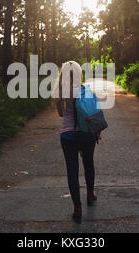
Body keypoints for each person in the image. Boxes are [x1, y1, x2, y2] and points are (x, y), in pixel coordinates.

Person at [52, 61, 100, 223]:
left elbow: (60, 115)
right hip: (87, 134)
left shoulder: (59, 91)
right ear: (79, 73)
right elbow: (93, 112)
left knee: (72, 171)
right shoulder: (85, 90)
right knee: (88, 164)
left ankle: (77, 207)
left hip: (68, 136)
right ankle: (90, 194)